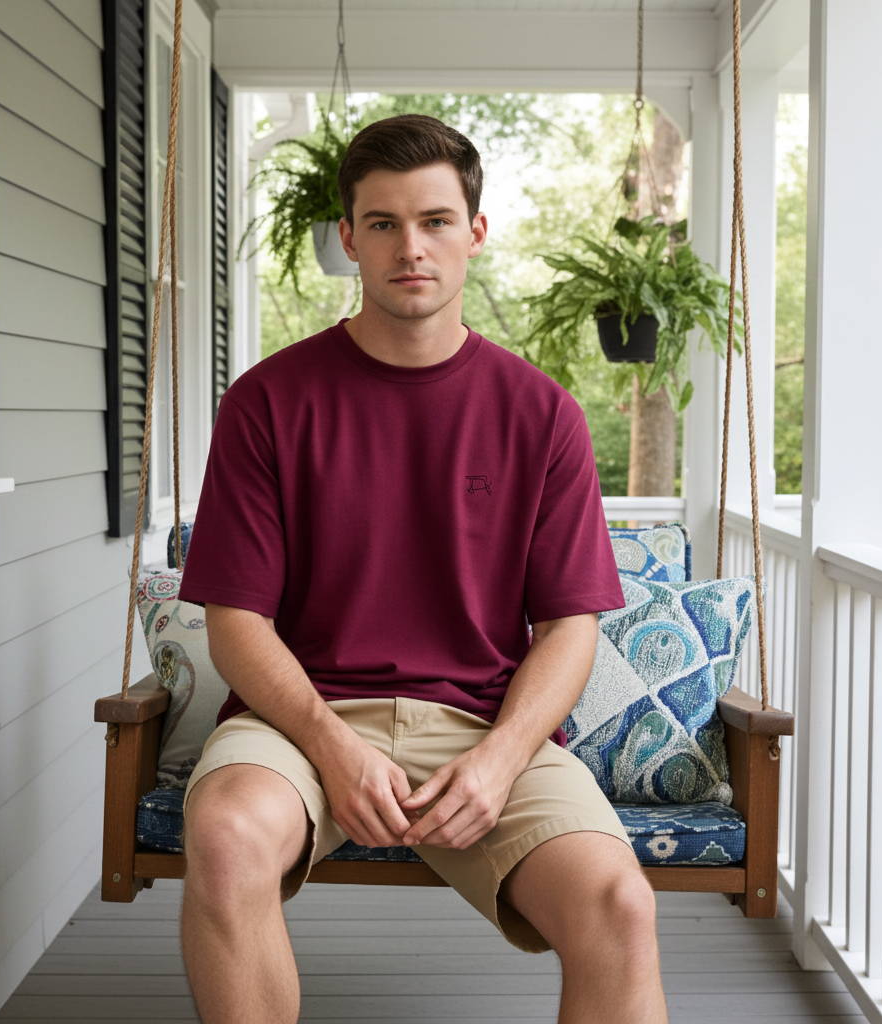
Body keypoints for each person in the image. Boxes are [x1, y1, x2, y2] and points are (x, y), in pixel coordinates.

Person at [177, 113, 669, 1024]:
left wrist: (499, 760)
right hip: (301, 725)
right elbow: (237, 623)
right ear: (348, 239)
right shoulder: (267, 404)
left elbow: (569, 626)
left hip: (483, 727)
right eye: (383, 223)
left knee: (620, 906)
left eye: (436, 220)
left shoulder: (543, 414)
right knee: (226, 836)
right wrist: (332, 744)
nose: (412, 247)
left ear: (474, 233)